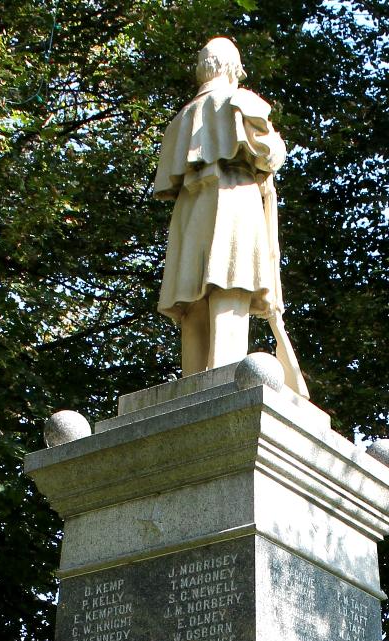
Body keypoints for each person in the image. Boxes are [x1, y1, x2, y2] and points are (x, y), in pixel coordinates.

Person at [154, 37, 305, 392]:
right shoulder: (240, 101)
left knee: (192, 294)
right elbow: (268, 153)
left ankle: (193, 383)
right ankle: (225, 374)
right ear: (233, 69)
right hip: (234, 197)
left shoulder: (180, 120)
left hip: (190, 210)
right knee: (231, 286)